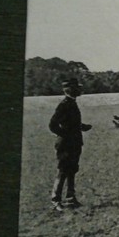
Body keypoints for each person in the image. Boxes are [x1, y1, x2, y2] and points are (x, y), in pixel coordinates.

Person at [49, 77, 92, 211]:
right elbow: (52, 125)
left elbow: (70, 123)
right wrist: (66, 135)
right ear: (71, 90)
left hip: (74, 143)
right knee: (63, 171)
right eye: (77, 88)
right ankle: (55, 200)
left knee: (72, 170)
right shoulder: (64, 105)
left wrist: (81, 127)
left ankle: (70, 198)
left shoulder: (71, 103)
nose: (80, 90)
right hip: (66, 144)